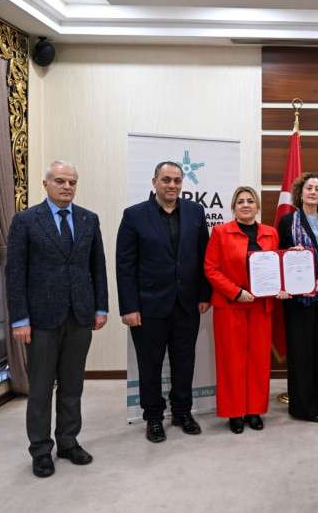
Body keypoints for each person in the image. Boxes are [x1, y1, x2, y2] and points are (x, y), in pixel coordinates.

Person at [6, 160, 108, 478]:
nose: (67, 187)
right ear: (46, 183)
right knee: (40, 388)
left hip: (80, 316)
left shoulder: (89, 219)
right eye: (60, 181)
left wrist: (101, 308)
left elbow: (97, 267)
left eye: (72, 182)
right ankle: (40, 449)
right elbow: (15, 273)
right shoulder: (25, 221)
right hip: (41, 319)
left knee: (72, 385)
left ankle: (67, 441)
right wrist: (19, 319)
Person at [116, 161, 211, 443]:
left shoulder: (195, 211)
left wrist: (204, 294)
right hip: (148, 306)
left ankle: (182, 412)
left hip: (187, 304)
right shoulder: (134, 215)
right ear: (154, 181)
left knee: (184, 362)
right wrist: (129, 307)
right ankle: (154, 417)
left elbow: (204, 256)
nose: (172, 185)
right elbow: (125, 265)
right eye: (166, 179)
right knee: (150, 365)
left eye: (177, 180)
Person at [204, 187, 289, 433]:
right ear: (233, 207)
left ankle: (254, 411)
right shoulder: (220, 232)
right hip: (231, 306)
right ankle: (235, 413)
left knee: (258, 361)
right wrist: (235, 292)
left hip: (262, 306)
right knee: (232, 361)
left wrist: (282, 285)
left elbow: (277, 265)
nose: (245, 204)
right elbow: (211, 269)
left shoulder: (271, 233)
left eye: (250, 201)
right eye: (240, 201)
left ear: (257, 206)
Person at [278, 172, 318, 423]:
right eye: (309, 188)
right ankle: (303, 408)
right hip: (297, 299)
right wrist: (290, 253)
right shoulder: (287, 222)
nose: (313, 192)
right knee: (300, 352)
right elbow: (279, 254)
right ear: (300, 192)